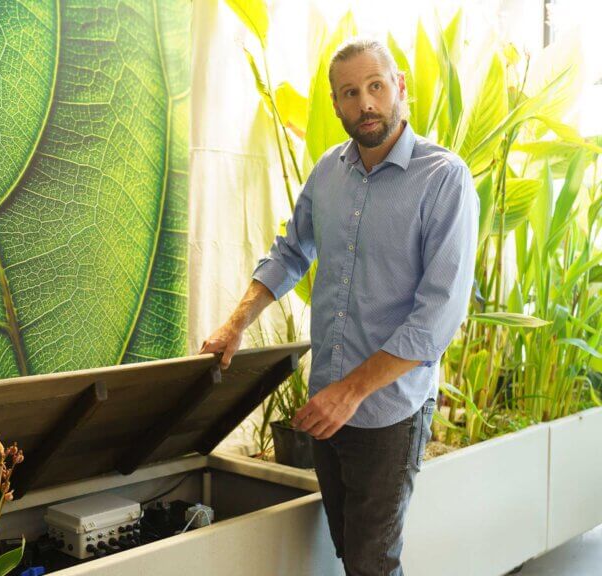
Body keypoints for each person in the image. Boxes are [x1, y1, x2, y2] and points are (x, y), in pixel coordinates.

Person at [200, 37, 479, 575]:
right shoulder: (329, 171)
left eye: (376, 86)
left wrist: (349, 394)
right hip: (327, 401)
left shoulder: (443, 178)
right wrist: (236, 324)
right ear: (335, 104)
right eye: (350, 93)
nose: (365, 103)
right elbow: (290, 251)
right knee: (351, 552)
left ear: (399, 86)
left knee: (373, 562)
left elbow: (436, 318)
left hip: (388, 410)